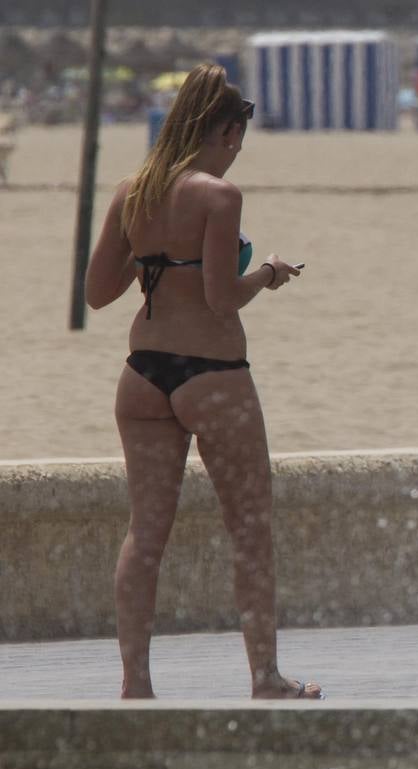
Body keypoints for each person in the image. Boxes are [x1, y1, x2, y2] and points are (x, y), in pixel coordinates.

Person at [83, 63, 320, 701]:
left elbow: (97, 293)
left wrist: (152, 254)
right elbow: (221, 300)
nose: (237, 149)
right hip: (211, 375)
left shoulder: (131, 191)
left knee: (146, 533)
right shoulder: (219, 195)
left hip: (143, 375)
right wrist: (268, 272)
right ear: (219, 129)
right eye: (235, 136)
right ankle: (265, 676)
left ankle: (135, 682)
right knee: (249, 526)